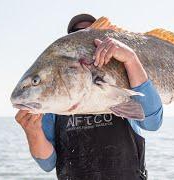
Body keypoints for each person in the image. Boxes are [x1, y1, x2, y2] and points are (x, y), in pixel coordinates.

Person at [15, 14, 163, 180]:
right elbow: (47, 164)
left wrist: (131, 59)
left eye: (91, 31)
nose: (85, 34)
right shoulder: (54, 105)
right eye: (76, 32)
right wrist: (33, 132)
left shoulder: (127, 73)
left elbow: (152, 123)